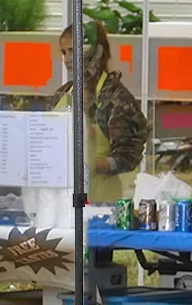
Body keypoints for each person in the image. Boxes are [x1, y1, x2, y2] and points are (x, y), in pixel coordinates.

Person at [54, 20, 147, 204]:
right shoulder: (62, 94)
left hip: (100, 203)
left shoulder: (115, 98)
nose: (67, 59)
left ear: (97, 52)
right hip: (59, 201)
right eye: (63, 52)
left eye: (73, 51)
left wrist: (88, 166)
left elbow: (128, 157)